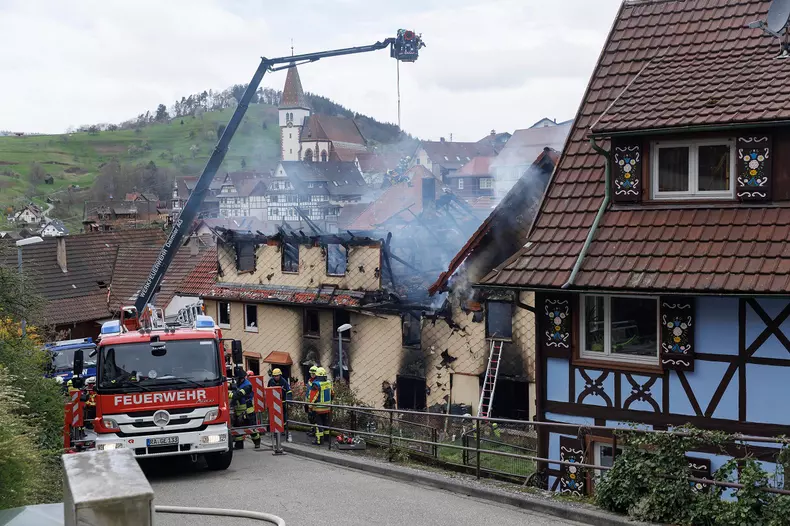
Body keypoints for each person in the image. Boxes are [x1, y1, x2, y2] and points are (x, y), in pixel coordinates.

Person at [230, 366, 260, 449]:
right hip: (239, 411)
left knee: (252, 430)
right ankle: (239, 445)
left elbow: (238, 395)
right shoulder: (238, 384)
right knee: (238, 429)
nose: (237, 380)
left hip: (248, 411)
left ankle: (257, 442)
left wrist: (228, 395)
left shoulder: (247, 386)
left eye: (238, 378)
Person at [310, 367, 334, 446]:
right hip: (327, 407)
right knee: (326, 423)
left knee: (318, 424)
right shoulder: (328, 383)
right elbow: (332, 394)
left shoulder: (316, 384)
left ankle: (319, 440)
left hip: (318, 408)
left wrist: (310, 406)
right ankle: (327, 438)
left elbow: (313, 397)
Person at [268, 368, 293, 442]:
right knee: (274, 416)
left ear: (280, 375)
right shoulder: (271, 381)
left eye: (277, 376)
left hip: (282, 402)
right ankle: (275, 430)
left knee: (283, 416)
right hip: (273, 402)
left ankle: (283, 429)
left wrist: (289, 401)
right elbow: (268, 390)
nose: (276, 377)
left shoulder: (284, 382)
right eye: (274, 376)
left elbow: (289, 391)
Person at [305, 366, 319, 439]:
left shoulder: (317, 382)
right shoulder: (309, 380)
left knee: (314, 418)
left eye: (313, 373)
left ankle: (315, 432)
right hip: (309, 402)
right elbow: (307, 392)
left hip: (314, 403)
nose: (312, 375)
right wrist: (306, 402)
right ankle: (312, 430)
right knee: (310, 417)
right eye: (311, 373)